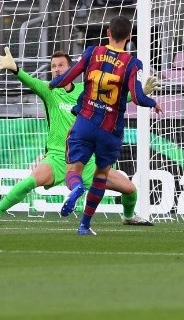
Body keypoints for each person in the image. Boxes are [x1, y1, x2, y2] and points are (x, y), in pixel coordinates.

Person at [0, 48, 157, 226]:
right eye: (53, 66)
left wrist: (136, 94)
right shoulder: (50, 90)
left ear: (71, 69)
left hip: (86, 161)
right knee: (28, 183)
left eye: (61, 65)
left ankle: (128, 217)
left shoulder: (85, 90)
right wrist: (15, 69)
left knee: (130, 190)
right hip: (57, 158)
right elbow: (31, 82)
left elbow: (112, 98)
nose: (56, 69)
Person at [49, 16, 162, 235]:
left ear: (108, 32)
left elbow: (67, 77)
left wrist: (53, 83)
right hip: (110, 130)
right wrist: (152, 102)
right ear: (129, 37)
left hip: (85, 121)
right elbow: (137, 97)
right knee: (101, 174)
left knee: (73, 169)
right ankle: (85, 225)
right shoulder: (131, 63)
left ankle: (76, 187)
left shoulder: (92, 52)